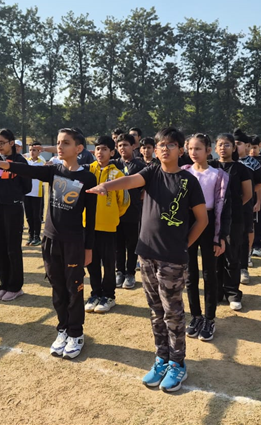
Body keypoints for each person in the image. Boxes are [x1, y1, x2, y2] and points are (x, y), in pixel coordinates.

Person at [87, 127, 208, 393]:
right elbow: (129, 181)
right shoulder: (151, 172)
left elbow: (202, 220)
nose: (165, 149)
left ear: (180, 150)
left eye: (171, 145)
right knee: (156, 312)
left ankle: (177, 363)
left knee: (173, 313)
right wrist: (106, 186)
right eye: (161, 144)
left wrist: (183, 245)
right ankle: (161, 358)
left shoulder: (188, 181)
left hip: (172, 259)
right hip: (146, 255)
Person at [0, 128, 97, 360]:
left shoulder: (88, 178)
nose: (60, 147)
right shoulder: (54, 171)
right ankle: (62, 329)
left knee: (74, 290)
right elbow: (28, 169)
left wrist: (88, 248)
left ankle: (76, 333)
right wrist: (3, 165)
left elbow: (91, 219)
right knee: (57, 289)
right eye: (58, 142)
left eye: (66, 143)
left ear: (79, 148)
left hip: (73, 243)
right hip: (50, 240)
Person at [182, 134, 230, 342]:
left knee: (210, 273)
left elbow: (225, 208)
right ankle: (196, 316)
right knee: (190, 273)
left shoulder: (219, 175)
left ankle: (209, 318)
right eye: (190, 149)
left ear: (208, 151)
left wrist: (221, 237)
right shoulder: (184, 173)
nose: (193, 152)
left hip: (210, 224)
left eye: (198, 148)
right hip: (189, 224)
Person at [0, 129, 33, 302]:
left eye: (2, 142)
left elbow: (27, 187)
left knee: (12, 248)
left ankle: (15, 287)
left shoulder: (20, 161)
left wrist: (13, 196)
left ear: (11, 143)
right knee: (0, 248)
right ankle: (4, 285)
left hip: (13, 207)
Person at [83, 136, 129, 314]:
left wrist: (112, 215)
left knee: (109, 263)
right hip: (88, 225)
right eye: (97, 148)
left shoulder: (117, 175)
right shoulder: (87, 171)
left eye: (104, 149)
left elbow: (124, 201)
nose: (100, 152)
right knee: (91, 262)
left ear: (112, 152)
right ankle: (95, 293)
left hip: (108, 226)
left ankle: (109, 296)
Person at [211, 134, 253, 311]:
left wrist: (229, 208)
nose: (223, 148)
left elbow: (248, 194)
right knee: (214, 257)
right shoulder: (211, 166)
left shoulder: (241, 169)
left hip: (234, 219)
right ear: (215, 148)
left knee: (232, 256)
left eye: (227, 145)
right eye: (220, 145)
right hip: (212, 219)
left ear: (234, 148)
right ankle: (217, 291)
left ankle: (233, 293)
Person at [113, 134, 146, 289]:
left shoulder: (140, 166)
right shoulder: (114, 164)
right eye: (120, 145)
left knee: (132, 244)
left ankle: (130, 273)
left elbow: (147, 186)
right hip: (115, 211)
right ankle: (119, 272)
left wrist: (139, 197)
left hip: (132, 211)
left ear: (133, 146)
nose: (122, 148)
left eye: (125, 145)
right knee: (117, 244)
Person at [234, 129, 261, 283]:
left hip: (245, 206)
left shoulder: (253, 163)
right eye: (233, 143)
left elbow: (260, 183)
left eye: (239, 143)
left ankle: (243, 267)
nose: (235, 146)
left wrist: (247, 195)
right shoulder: (222, 163)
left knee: (244, 234)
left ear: (246, 145)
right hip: (226, 206)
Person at [24, 142, 46, 246]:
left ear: (39, 151)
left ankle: (37, 236)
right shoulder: (26, 162)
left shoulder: (42, 163)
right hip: (27, 192)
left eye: (34, 150)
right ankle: (30, 235)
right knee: (28, 216)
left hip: (37, 193)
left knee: (36, 216)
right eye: (30, 150)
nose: (32, 152)